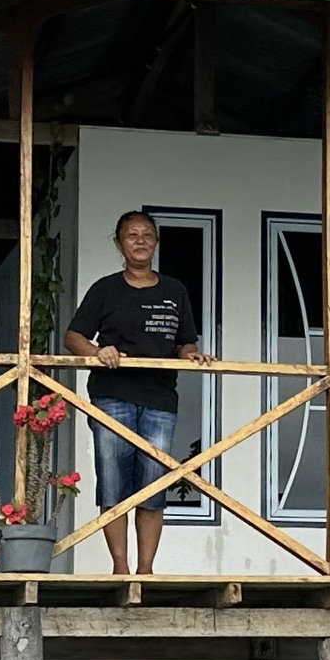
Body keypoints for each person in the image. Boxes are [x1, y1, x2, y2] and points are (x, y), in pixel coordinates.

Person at [64, 209, 212, 573]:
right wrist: (98, 352)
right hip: (112, 395)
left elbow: (184, 343)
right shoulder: (105, 289)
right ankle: (120, 567)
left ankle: (145, 570)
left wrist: (193, 356)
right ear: (119, 244)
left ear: (156, 242)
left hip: (161, 398)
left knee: (153, 483)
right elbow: (73, 337)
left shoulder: (174, 290)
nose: (140, 241)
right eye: (131, 235)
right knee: (113, 480)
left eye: (147, 234)